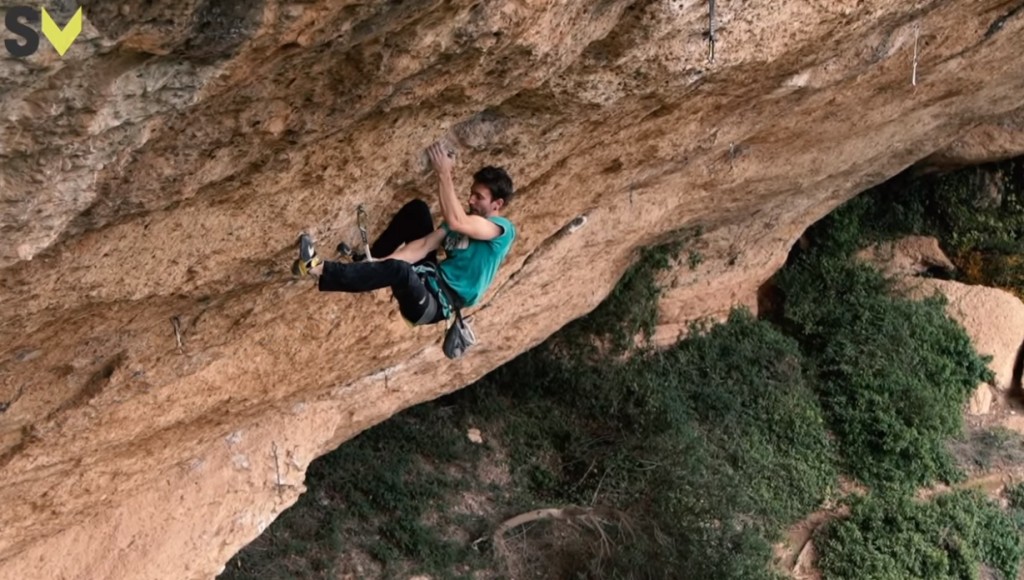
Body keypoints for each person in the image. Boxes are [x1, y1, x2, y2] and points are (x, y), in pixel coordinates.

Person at [293, 141, 516, 325]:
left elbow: (458, 222)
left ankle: (318, 269)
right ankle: (368, 262)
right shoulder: (462, 221)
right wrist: (380, 263)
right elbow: (423, 246)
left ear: (497, 204)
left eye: (479, 197)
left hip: (432, 304)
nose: (471, 200)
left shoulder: (501, 230)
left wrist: (444, 172)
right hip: (426, 277)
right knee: (417, 211)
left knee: (399, 270)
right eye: (471, 193)